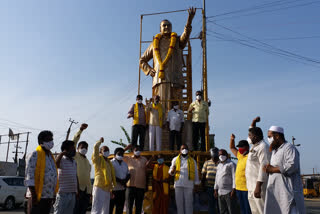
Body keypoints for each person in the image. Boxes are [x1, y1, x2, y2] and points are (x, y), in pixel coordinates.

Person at [139, 8, 196, 114]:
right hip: (161, 79)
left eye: (168, 25)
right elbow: (142, 60)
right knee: (162, 108)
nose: (166, 27)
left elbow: (186, 35)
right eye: (164, 25)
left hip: (176, 78)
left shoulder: (178, 41)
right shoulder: (154, 43)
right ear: (160, 29)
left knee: (176, 108)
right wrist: (149, 70)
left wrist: (189, 20)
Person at [264, 126, 305, 214]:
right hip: (277, 191)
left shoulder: (289, 148)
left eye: (270, 136)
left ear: (277, 136)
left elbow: (292, 166)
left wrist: (273, 169)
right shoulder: (275, 151)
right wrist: (269, 169)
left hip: (288, 192)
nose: (268, 139)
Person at [25, 130, 58, 214]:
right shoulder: (34, 154)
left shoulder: (51, 156)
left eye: (51, 140)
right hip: (37, 196)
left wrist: (53, 194)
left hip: (48, 196)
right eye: (48, 140)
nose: (51, 142)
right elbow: (29, 175)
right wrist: (34, 195)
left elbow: (53, 175)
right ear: (41, 141)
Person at [245, 117, 270, 214]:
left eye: (250, 136)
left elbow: (263, 168)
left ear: (255, 136)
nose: (249, 138)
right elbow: (251, 129)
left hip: (258, 186)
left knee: (262, 210)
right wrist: (253, 122)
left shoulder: (263, 147)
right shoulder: (254, 145)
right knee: (254, 211)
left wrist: (258, 186)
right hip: (250, 186)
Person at [169, 144, 200, 214]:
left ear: (188, 150)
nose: (184, 150)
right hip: (178, 184)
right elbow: (170, 172)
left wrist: (196, 183)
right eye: (182, 148)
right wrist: (172, 170)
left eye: (185, 148)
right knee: (179, 204)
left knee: (189, 204)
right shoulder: (175, 159)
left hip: (189, 185)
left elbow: (196, 172)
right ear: (180, 150)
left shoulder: (192, 161)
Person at [91, 137, 116, 214]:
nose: (107, 152)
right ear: (100, 152)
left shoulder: (109, 162)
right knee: (97, 209)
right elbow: (95, 148)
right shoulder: (98, 159)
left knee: (105, 210)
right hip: (99, 187)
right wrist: (99, 142)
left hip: (107, 188)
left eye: (108, 150)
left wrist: (111, 190)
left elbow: (110, 177)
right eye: (105, 150)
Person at [72, 123, 92, 214]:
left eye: (86, 148)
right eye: (82, 147)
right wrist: (80, 130)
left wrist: (90, 191)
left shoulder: (87, 161)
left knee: (82, 211)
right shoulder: (75, 155)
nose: (84, 149)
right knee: (75, 210)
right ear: (77, 148)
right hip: (77, 189)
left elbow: (88, 177)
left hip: (86, 191)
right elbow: (74, 141)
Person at [53, 140, 78, 214]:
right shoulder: (62, 159)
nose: (74, 150)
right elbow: (56, 165)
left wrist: (77, 190)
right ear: (66, 150)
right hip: (63, 193)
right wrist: (62, 153)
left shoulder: (74, 162)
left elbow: (75, 176)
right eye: (72, 148)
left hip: (72, 192)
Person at [229, 134, 251, 214]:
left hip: (247, 188)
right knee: (242, 209)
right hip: (239, 187)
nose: (239, 149)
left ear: (247, 147)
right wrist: (232, 139)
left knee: (247, 210)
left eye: (241, 147)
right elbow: (232, 147)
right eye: (239, 147)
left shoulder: (250, 156)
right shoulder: (240, 155)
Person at [123, 145, 148, 214]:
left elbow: (146, 172)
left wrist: (146, 185)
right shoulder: (128, 158)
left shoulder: (144, 159)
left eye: (139, 150)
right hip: (130, 186)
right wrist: (126, 148)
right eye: (136, 150)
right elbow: (119, 154)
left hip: (141, 186)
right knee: (129, 206)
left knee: (139, 206)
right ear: (133, 151)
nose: (137, 151)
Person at [214, 149, 237, 214]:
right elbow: (217, 177)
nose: (221, 156)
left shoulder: (231, 164)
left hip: (229, 191)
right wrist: (215, 189)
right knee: (222, 211)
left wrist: (233, 189)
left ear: (226, 155)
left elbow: (234, 177)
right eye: (219, 155)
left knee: (231, 210)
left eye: (223, 154)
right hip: (220, 192)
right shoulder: (219, 165)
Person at [110, 147, 130, 214]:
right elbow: (109, 174)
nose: (121, 155)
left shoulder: (125, 164)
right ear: (115, 154)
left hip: (122, 190)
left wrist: (125, 181)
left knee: (120, 209)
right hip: (113, 190)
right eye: (119, 154)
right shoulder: (111, 163)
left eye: (122, 154)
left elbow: (128, 174)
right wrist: (120, 181)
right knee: (110, 208)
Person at [201, 147, 220, 214]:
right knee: (211, 205)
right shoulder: (207, 163)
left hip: (219, 188)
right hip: (209, 187)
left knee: (219, 205)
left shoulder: (221, 162)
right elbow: (203, 175)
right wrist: (203, 186)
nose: (214, 158)